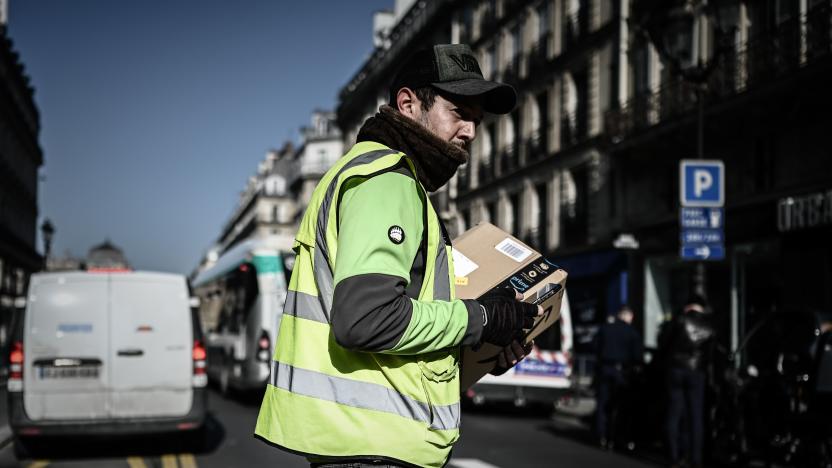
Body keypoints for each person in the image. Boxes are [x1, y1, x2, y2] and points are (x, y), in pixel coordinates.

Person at [254, 44, 541, 468]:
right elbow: (367, 320)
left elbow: (393, 342)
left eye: (477, 121)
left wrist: (480, 349)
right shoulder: (387, 181)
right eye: (459, 111)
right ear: (408, 104)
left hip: (362, 442)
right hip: (374, 450)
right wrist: (480, 318)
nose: (471, 132)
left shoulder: (384, 180)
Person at [659, 294, 715, 468]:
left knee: (674, 413)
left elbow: (663, 343)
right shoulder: (709, 325)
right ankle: (695, 458)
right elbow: (711, 355)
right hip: (697, 372)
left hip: (675, 369)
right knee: (695, 416)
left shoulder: (679, 320)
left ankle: (674, 456)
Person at [594, 305, 642, 450]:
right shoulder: (632, 333)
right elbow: (637, 357)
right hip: (622, 372)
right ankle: (616, 437)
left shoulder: (605, 328)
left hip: (605, 369)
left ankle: (601, 437)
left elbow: (595, 347)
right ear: (629, 316)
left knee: (603, 405)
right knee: (620, 406)